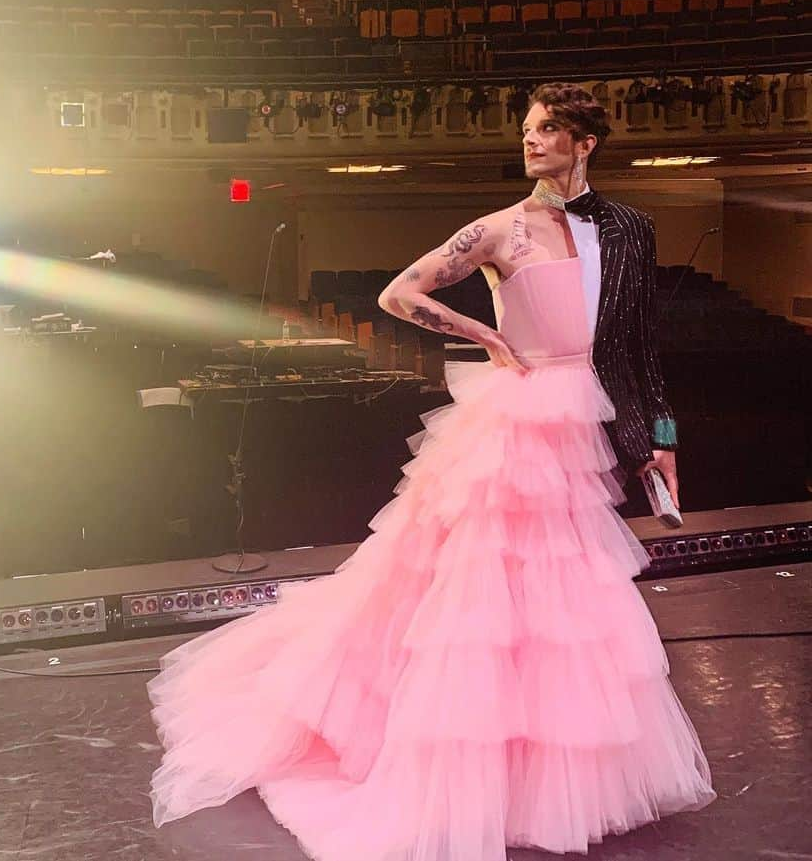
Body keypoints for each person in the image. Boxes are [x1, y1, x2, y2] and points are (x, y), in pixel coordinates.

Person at [147, 82, 716, 861]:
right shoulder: (498, 228)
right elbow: (398, 291)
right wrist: (482, 332)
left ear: (587, 142)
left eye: (549, 129)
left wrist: (662, 438)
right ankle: (461, 764)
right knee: (480, 597)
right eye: (528, 128)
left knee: (565, 601)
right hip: (516, 420)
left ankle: (544, 773)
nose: (532, 140)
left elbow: (644, 349)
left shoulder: (631, 231)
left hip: (586, 423)